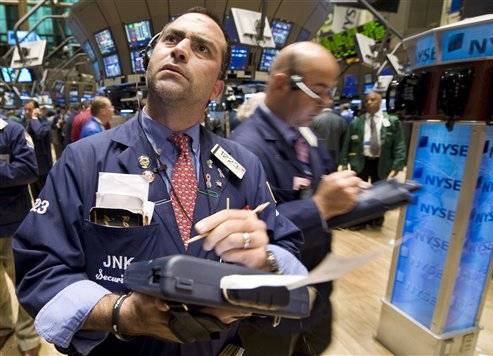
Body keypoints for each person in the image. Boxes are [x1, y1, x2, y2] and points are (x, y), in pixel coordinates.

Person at [14, 7, 306, 356]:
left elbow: (288, 257)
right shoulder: (84, 159)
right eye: (171, 38)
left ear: (216, 89)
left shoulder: (245, 166)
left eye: (202, 48)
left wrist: (265, 263)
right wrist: (123, 313)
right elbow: (40, 269)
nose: (180, 49)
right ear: (150, 59)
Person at [230, 41, 364, 356]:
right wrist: (318, 207)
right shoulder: (244, 148)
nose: (326, 102)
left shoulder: (305, 135)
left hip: (316, 291)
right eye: (319, 90)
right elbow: (244, 233)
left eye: (331, 91)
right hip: (272, 307)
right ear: (280, 83)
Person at [0, 117, 41, 356]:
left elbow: (28, 169)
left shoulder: (13, 131)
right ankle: (3, 326)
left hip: (14, 225)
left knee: (23, 284)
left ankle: (27, 337)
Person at [340, 91, 406, 228]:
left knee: (380, 192)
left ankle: (376, 220)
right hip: (361, 161)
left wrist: (398, 164)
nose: (369, 102)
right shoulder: (357, 122)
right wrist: (344, 161)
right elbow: (347, 142)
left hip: (382, 162)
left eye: (373, 100)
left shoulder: (392, 121)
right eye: (367, 101)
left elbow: (399, 143)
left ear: (380, 101)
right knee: (359, 193)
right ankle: (359, 221)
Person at [22, 99, 52, 198]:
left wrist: (34, 118)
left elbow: (40, 133)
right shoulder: (27, 122)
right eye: (25, 109)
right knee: (35, 195)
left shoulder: (44, 123)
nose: (27, 112)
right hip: (31, 164)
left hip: (43, 165)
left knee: (45, 195)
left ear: (36, 110)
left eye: (29, 110)